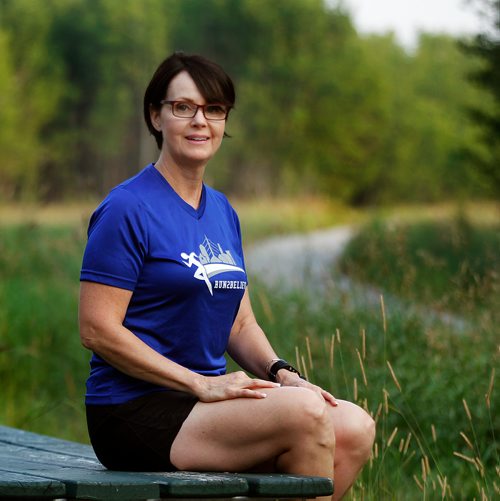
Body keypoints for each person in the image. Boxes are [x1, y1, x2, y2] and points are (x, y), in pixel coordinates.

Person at [79, 52, 375, 500]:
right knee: (304, 416)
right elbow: (97, 330)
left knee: (354, 425)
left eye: (213, 109)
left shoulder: (222, 211)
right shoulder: (127, 208)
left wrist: (283, 374)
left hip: (208, 403)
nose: (200, 121)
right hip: (133, 409)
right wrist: (201, 383)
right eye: (184, 107)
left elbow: (239, 323)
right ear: (156, 116)